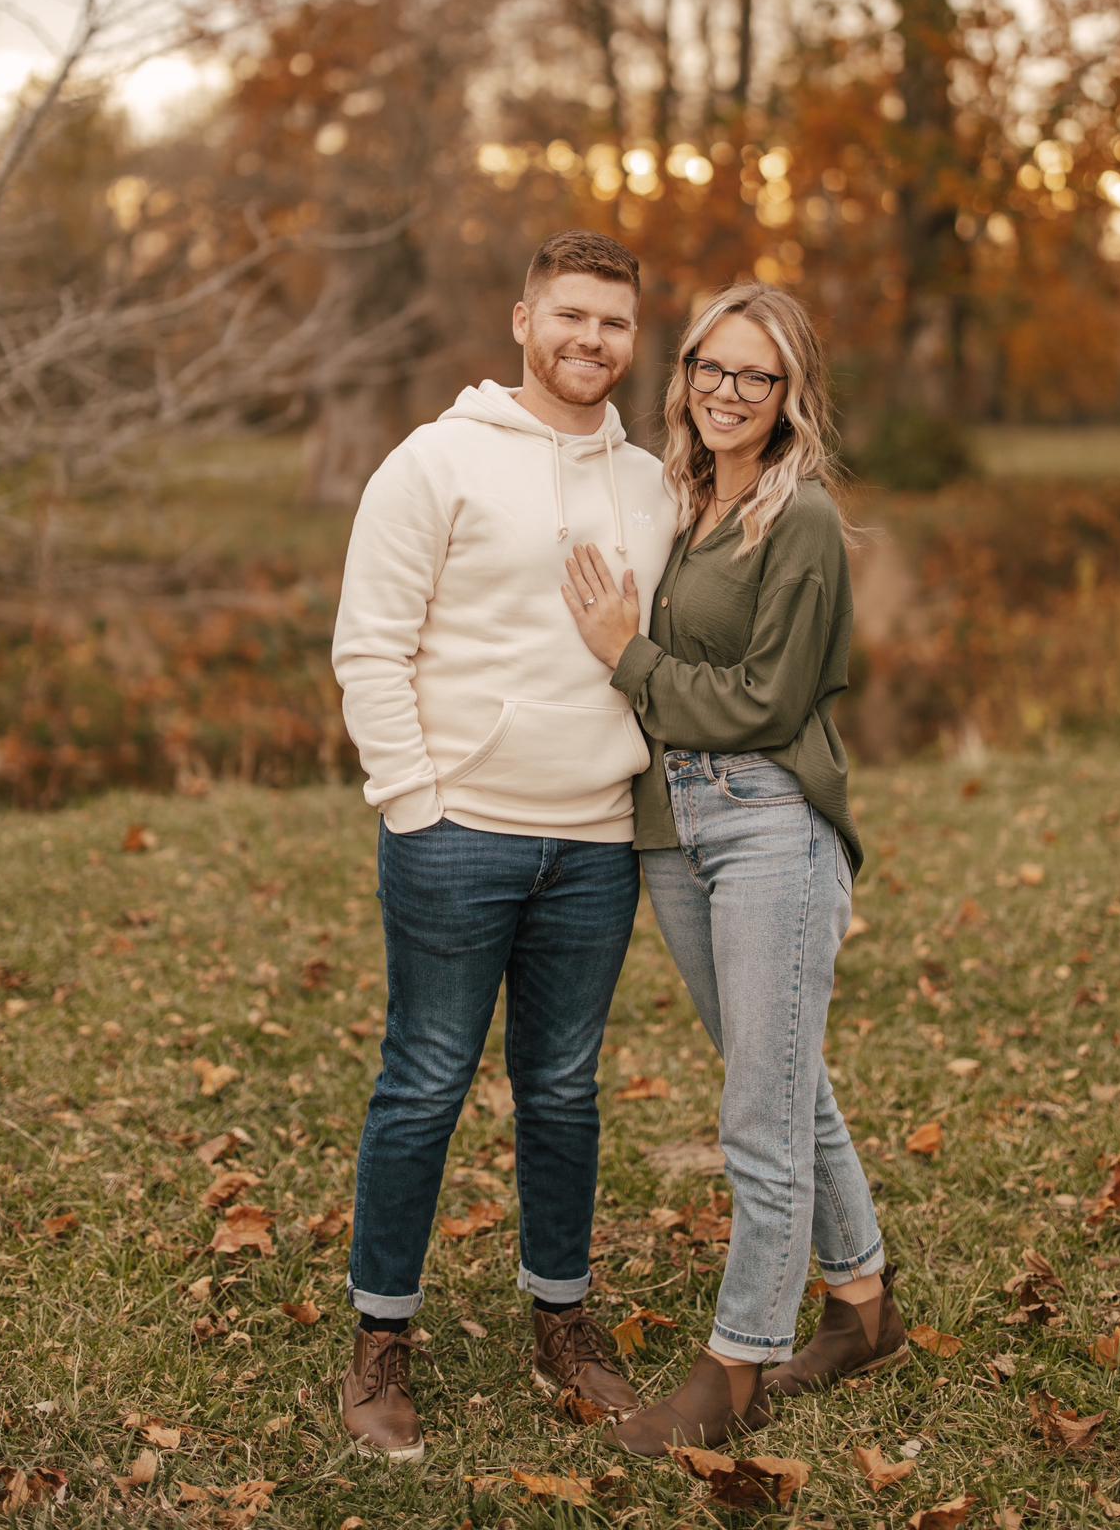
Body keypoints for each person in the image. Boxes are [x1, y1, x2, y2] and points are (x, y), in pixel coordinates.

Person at [331, 230, 677, 1462]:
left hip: (595, 842)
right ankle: (381, 1339)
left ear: (634, 339)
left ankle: (563, 1323)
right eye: (570, 315)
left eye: (615, 323)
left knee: (565, 1089)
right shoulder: (434, 461)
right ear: (521, 318)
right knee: (423, 1080)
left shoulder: (652, 482)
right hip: (457, 834)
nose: (591, 340)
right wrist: (414, 799)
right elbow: (369, 643)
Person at [561, 280, 906, 1457]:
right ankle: (861, 1303)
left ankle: (737, 1363)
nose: (726, 391)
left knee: (756, 1110)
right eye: (711, 365)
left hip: (768, 825)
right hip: (673, 830)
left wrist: (629, 657)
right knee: (782, 1081)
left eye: (754, 375)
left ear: (789, 392)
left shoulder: (796, 516)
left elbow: (766, 701)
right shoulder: (688, 498)